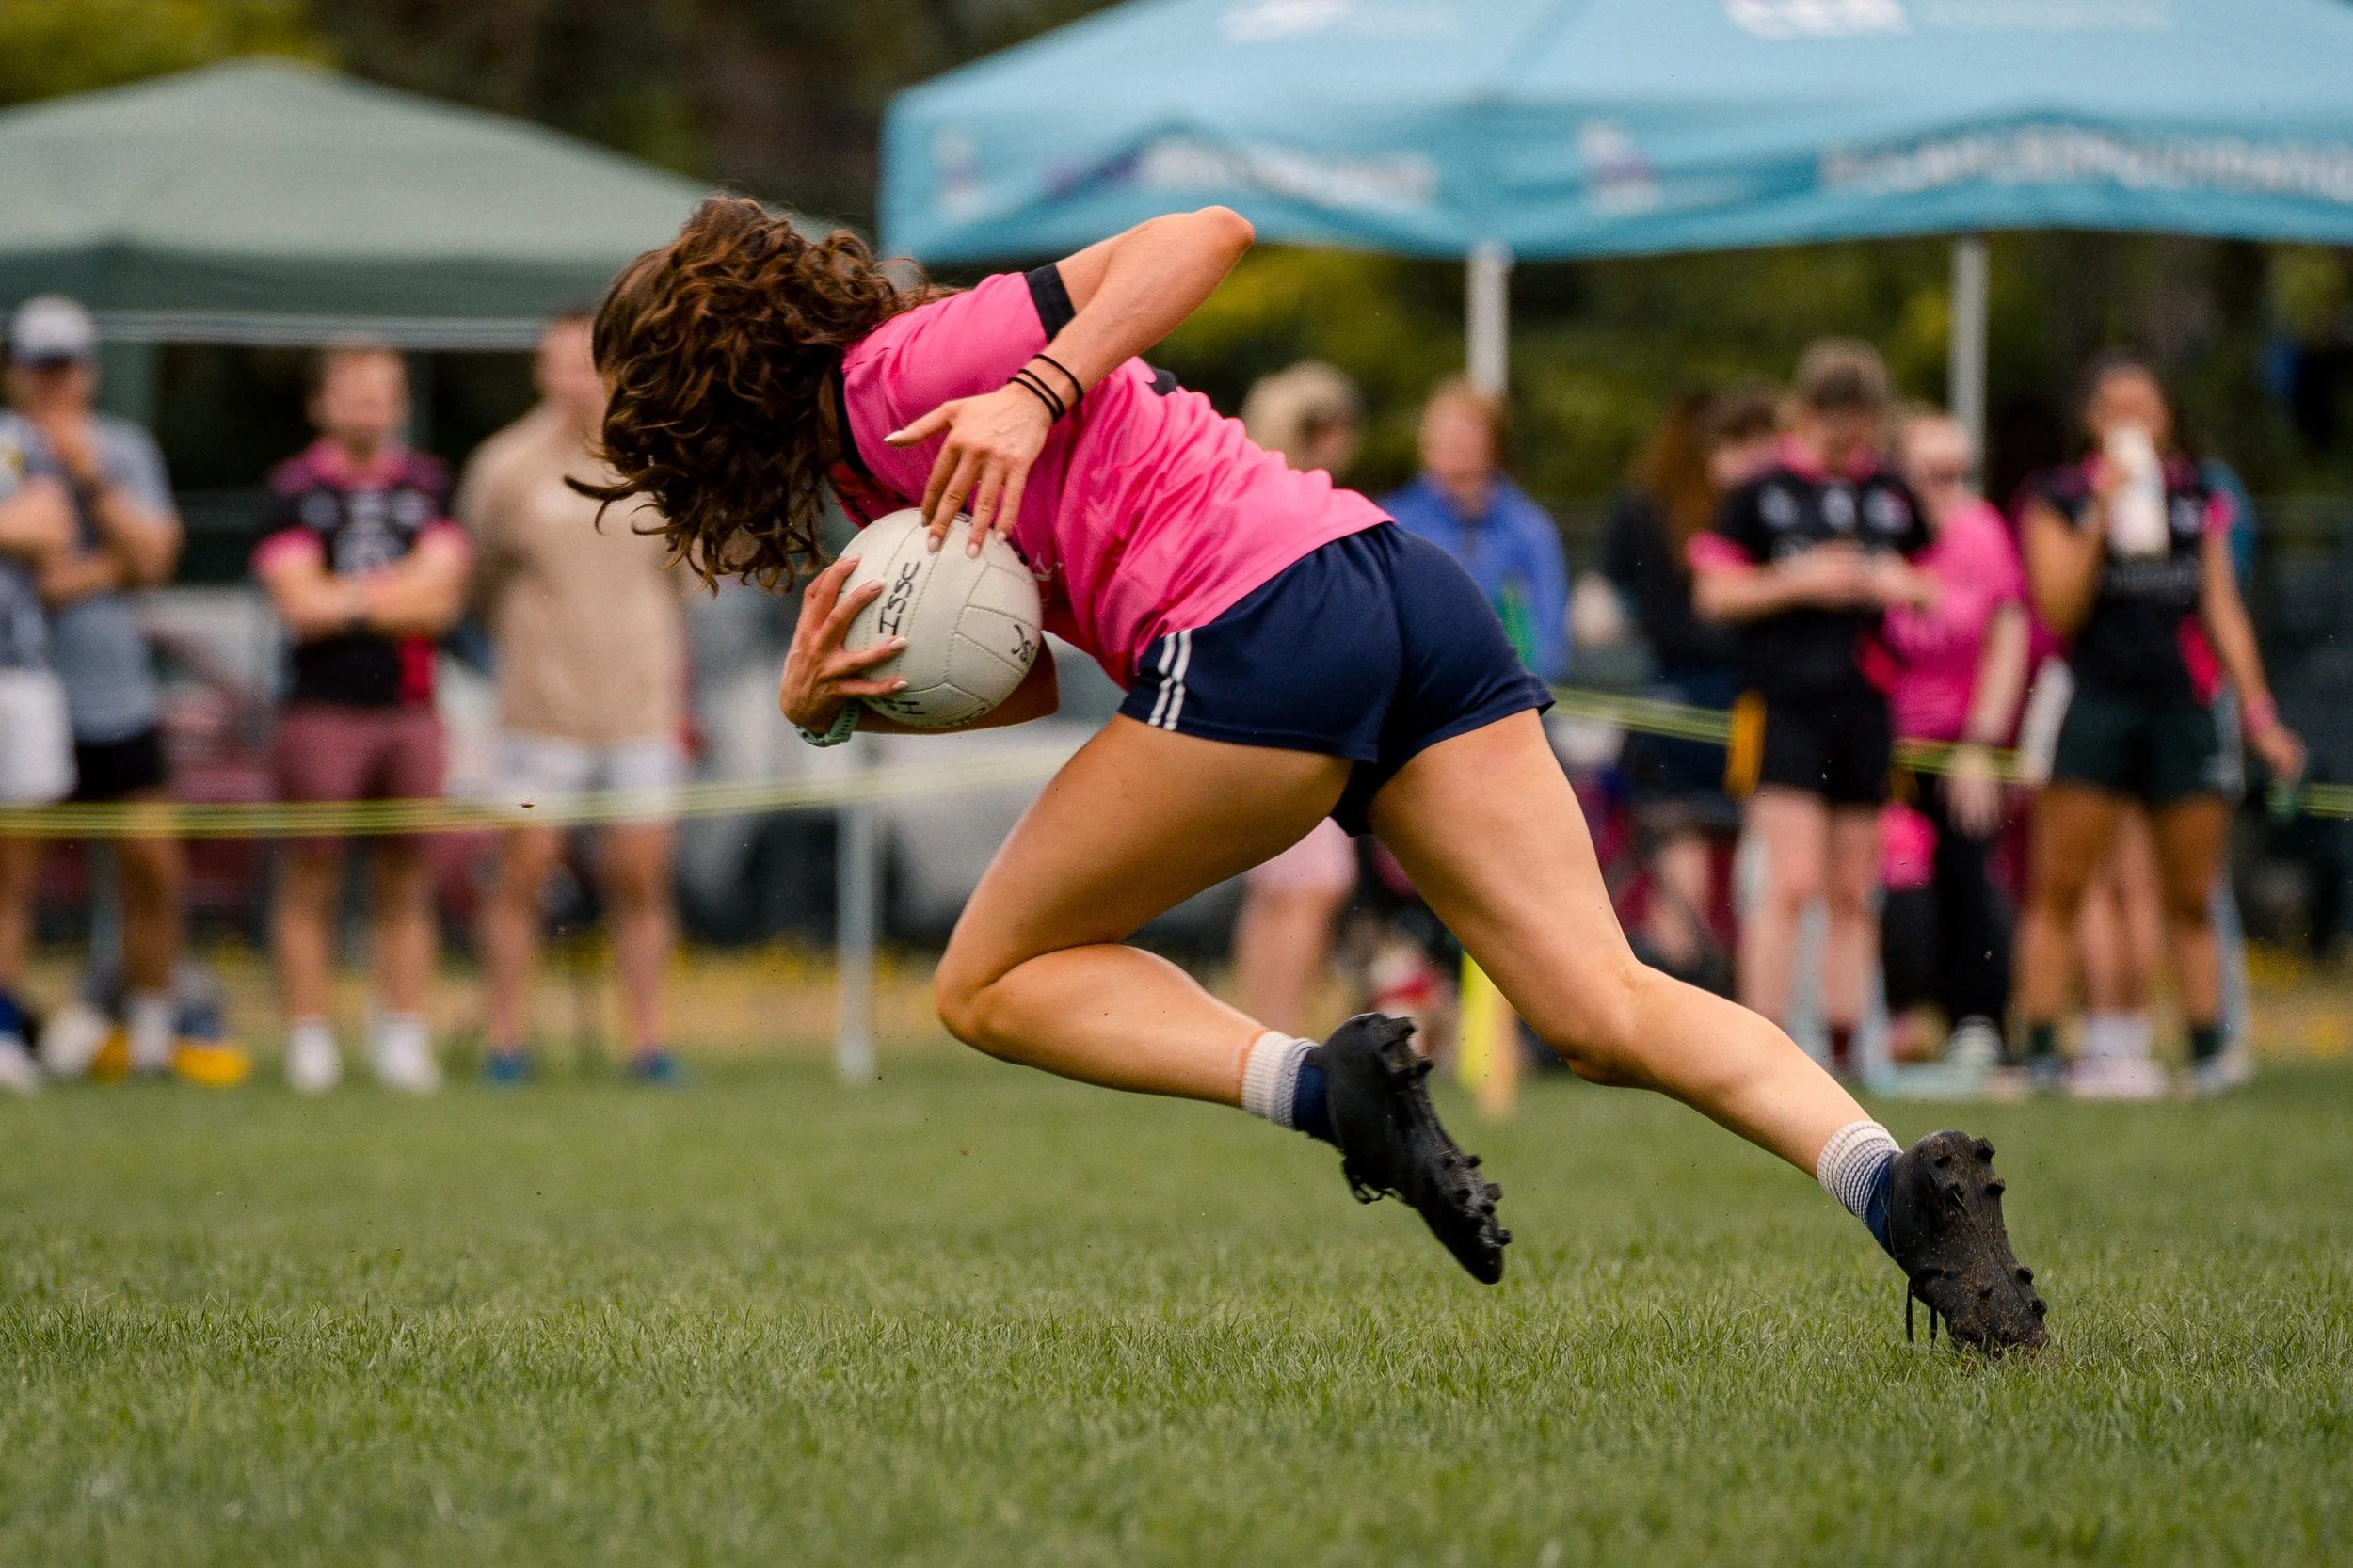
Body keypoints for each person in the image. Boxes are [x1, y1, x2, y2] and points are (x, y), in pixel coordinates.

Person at [583, 196, 2045, 1352]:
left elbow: (1205, 235)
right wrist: (838, 709)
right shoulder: (869, 469)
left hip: (1265, 627)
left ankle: (1322, 1091)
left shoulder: (908, 368)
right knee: (1598, 1008)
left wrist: (1037, 385)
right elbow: (1022, 672)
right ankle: (1888, 1184)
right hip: (1398, 590)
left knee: (985, 981)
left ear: (701, 406)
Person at [2013, 354, 2301, 1096]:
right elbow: (2059, 607)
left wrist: (2260, 713)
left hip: (2183, 707)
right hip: (2097, 702)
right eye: (2115, 410)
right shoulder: (2060, 495)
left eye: (2143, 407)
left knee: (2189, 892)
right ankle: (2044, 1047)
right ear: (2092, 422)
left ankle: (2208, 1053)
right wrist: (2104, 512)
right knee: (2063, 885)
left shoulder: (2198, 492)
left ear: (2164, 415)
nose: (2131, 422)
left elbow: (2221, 607)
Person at [1689, 341, 1938, 1080]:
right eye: (1834, 430)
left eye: (1860, 431)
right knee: (1789, 883)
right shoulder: (1761, 493)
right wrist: (1800, 580)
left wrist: (1893, 583)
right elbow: (1714, 592)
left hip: (1865, 706)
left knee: (1854, 891)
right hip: (1784, 705)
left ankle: (1840, 1053)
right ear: (1805, 417)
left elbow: (1935, 586)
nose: (1847, 446)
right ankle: (1762, 1053)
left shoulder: (1890, 492)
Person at [460, 312, 685, 1084]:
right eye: (560, 365)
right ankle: (505, 1044)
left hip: (639, 713)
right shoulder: (504, 468)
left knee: (641, 881)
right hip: (537, 717)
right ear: (541, 372)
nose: (575, 380)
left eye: (588, 365)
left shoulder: (659, 462)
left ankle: (647, 1045)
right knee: (518, 882)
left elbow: (681, 590)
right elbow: (480, 585)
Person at [252, 344, 469, 1094]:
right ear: (321, 403)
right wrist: (391, 596)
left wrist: (345, 597)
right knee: (310, 878)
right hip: (320, 711)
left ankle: (402, 1036)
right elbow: (298, 606)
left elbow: (442, 599)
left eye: (383, 392)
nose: (369, 405)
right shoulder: (292, 490)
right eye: (353, 392)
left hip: (411, 709)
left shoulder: (429, 485)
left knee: (407, 881)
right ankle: (311, 1039)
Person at [3, 297, 190, 1080]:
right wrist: (98, 566)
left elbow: (153, 558)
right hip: (30, 687)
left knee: (153, 865)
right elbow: (41, 571)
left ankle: (151, 1030)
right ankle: (9, 1033)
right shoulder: (7, 446)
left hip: (118, 696)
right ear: (15, 371)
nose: (57, 383)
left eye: (69, 366)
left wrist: (91, 481)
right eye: (42, 367)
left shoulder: (120, 447)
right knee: (15, 879)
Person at [1600, 386, 1779, 988]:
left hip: (1711, 701)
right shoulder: (1681, 513)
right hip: (1713, 702)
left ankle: (1690, 988)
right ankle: (1694, 985)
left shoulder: (1661, 506)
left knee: (1710, 856)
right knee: (1699, 853)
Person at [1879, 408, 2030, 1068]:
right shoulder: (1870, 533)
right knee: (1896, 885)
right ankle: (1890, 1018)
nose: (1951, 487)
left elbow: (2007, 634)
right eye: (1933, 473)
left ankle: (1978, 1020)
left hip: (1959, 739)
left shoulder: (1982, 532)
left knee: (1971, 869)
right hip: (1880, 744)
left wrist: (1980, 743)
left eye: (1960, 473)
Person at [1227, 362, 1363, 1036]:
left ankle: (1253, 1030)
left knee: (1277, 888)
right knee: (1314, 885)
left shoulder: (1248, 500)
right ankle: (1276, 1035)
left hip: (1257, 719)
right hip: (1298, 723)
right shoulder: (1302, 510)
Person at [1383, 379, 1569, 683]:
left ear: (1493, 443)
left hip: (1503, 699)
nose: (1454, 443)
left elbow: (1548, 635)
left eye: (1465, 433)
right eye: (1443, 433)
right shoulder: (1392, 522)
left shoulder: (1529, 529)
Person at [0, 410, 77, 1093]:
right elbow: (25, 528)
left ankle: (2, 1034)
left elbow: (52, 533)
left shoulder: (20, 436)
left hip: (20, 672)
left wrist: (27, 529)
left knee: (12, 881)